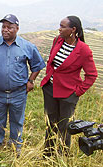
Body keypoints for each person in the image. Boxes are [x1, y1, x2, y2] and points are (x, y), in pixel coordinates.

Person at [0, 14, 46, 155]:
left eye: (10, 27)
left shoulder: (27, 46)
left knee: (17, 120)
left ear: (17, 29)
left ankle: (15, 144)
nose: (6, 30)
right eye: (3, 27)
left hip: (19, 92)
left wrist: (31, 81)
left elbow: (37, 65)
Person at [40, 16, 98, 156]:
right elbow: (51, 63)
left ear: (73, 29)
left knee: (64, 127)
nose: (59, 29)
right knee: (50, 123)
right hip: (50, 89)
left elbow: (92, 75)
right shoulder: (57, 40)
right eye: (59, 25)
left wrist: (77, 92)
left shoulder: (83, 50)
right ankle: (48, 154)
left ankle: (62, 155)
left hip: (68, 94)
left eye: (63, 26)